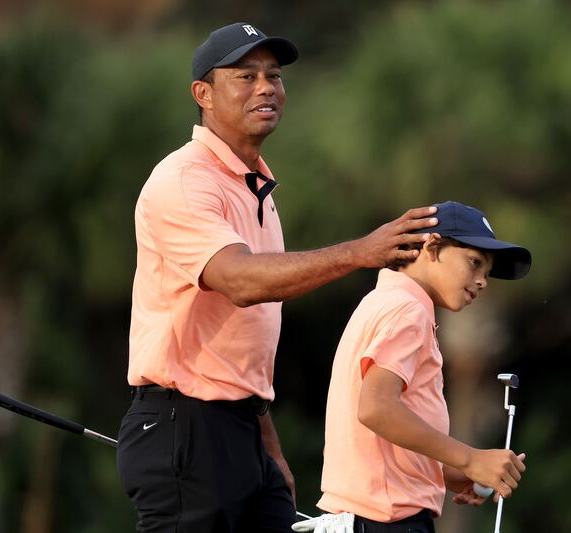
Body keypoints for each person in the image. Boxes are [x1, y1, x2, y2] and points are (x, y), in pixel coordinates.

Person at [116, 21, 439, 533]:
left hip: (242, 430)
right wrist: (359, 252)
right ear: (203, 94)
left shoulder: (256, 188)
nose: (266, 87)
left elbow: (239, 351)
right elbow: (241, 281)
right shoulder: (182, 179)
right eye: (245, 76)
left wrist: (269, 451)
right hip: (184, 429)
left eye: (274, 76)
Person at [292, 201, 532, 533]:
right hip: (386, 522)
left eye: (486, 273)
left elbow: (386, 437)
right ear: (432, 246)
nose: (482, 281)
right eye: (474, 263)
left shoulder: (384, 302)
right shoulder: (409, 311)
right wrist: (470, 459)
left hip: (364, 519)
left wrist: (451, 474)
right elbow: (376, 408)